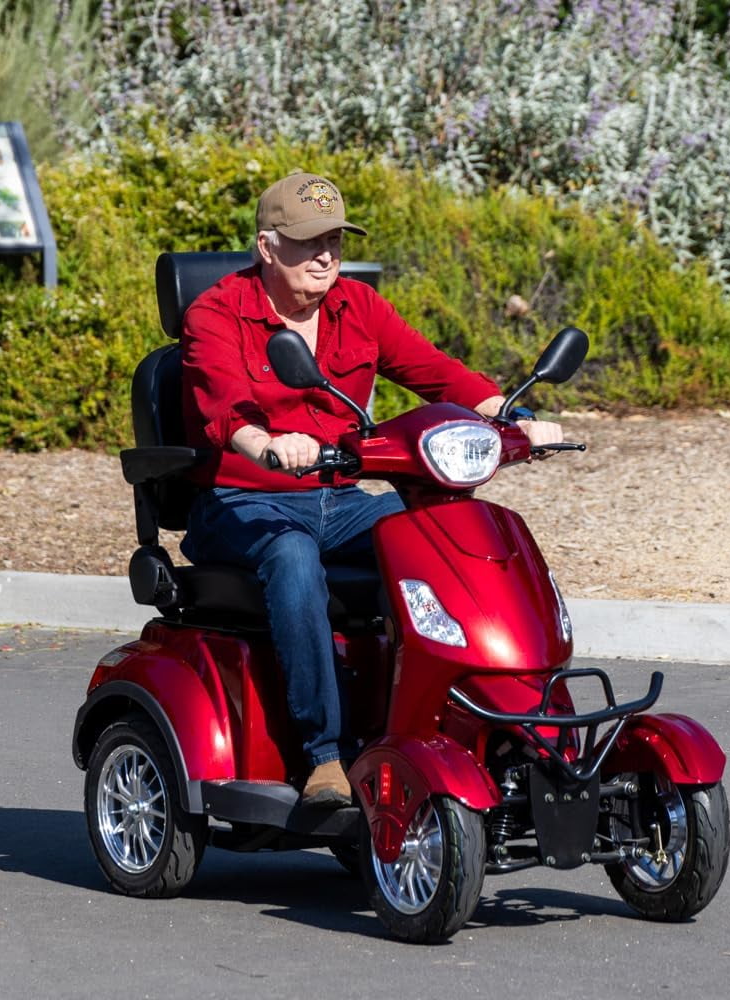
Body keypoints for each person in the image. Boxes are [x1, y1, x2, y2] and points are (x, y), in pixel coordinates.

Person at [180, 171, 562, 807]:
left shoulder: (357, 306)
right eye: (309, 241)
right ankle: (323, 757)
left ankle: (464, 720)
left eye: (333, 240)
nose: (325, 255)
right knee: (292, 555)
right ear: (267, 246)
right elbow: (223, 408)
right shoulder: (216, 313)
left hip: (340, 499)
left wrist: (513, 417)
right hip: (241, 501)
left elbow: (435, 372)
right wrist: (268, 444)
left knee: (437, 535)